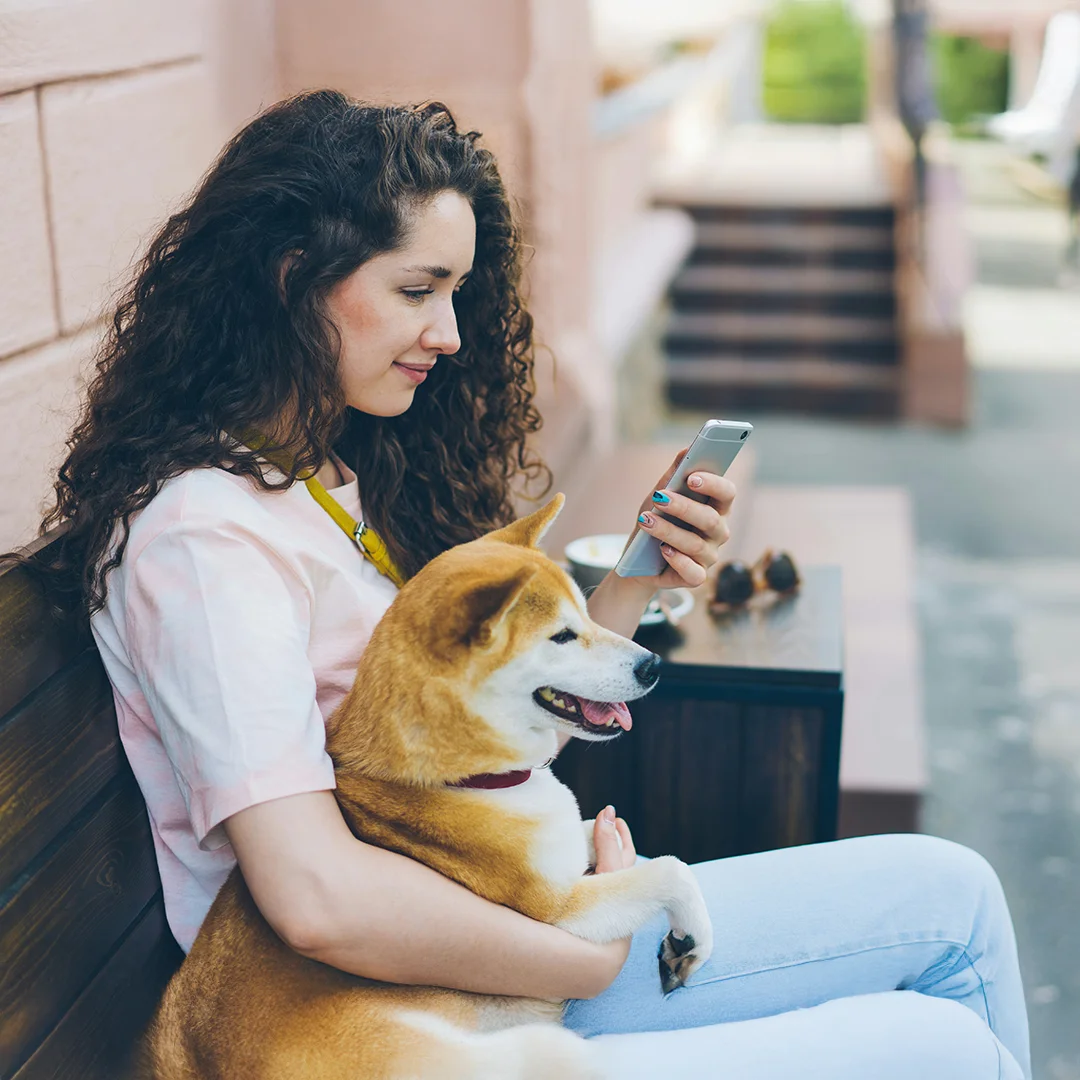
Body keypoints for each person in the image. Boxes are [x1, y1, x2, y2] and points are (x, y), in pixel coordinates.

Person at [18, 91, 1030, 1078]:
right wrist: (587, 943)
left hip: (476, 955)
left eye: (457, 292)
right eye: (418, 290)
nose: (451, 334)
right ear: (293, 281)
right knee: (945, 1045)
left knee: (956, 894)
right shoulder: (208, 540)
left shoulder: (322, 478)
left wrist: (642, 569)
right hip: (370, 1023)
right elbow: (316, 898)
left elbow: (482, 709)